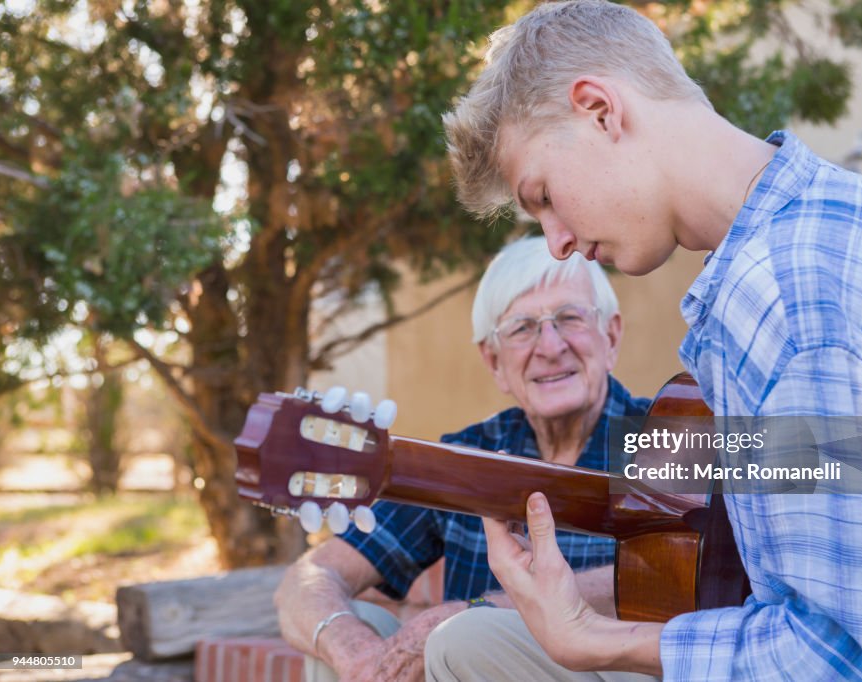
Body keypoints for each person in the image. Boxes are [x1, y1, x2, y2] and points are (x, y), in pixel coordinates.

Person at [436, 1, 862, 680]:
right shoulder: (841, 210)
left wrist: (597, 641)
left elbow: (855, 659)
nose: (557, 240)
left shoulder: (785, 295)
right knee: (469, 642)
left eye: (542, 195)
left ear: (600, 109)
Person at [274, 236, 658, 681]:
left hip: (621, 668)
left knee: (462, 636)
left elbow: (723, 576)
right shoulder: (470, 453)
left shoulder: (673, 430)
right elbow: (307, 579)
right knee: (352, 627)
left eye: (569, 318)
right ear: (493, 361)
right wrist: (354, 653)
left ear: (610, 336)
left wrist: (479, 610)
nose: (550, 346)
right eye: (521, 328)